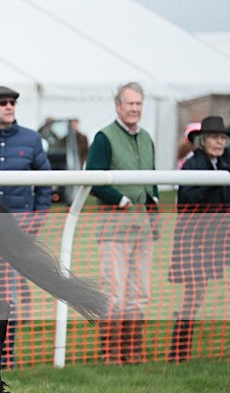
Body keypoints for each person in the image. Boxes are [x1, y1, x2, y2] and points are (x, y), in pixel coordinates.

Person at [0, 85, 52, 367]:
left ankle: (4, 356)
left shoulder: (31, 139)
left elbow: (45, 183)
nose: (9, 106)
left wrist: (37, 219)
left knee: (9, 294)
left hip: (15, 233)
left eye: (12, 102)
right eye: (3, 102)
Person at [85, 81, 157, 364]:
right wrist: (122, 200)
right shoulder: (104, 138)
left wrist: (152, 201)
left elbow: (152, 177)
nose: (135, 109)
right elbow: (93, 179)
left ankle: (133, 350)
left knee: (140, 292)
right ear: (118, 106)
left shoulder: (147, 138)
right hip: (114, 228)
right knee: (114, 292)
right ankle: (111, 352)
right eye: (130, 103)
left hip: (143, 228)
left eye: (139, 104)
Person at [167, 116, 230, 362]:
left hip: (219, 239)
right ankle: (178, 352)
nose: (219, 142)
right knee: (193, 296)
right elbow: (187, 200)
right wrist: (212, 182)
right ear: (203, 140)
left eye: (223, 137)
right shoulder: (192, 164)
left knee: (199, 296)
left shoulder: (224, 162)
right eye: (214, 137)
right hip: (195, 241)